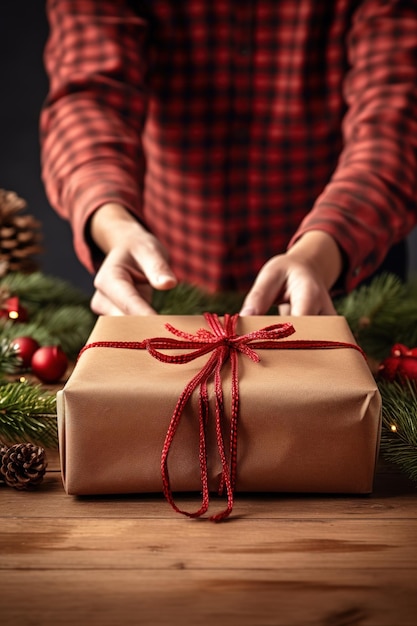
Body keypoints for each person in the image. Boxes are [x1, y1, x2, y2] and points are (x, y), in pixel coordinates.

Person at [40, 1, 417, 316]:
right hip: (166, 287)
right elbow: (87, 99)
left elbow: (395, 119)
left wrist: (317, 257)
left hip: (344, 278)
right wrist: (116, 227)